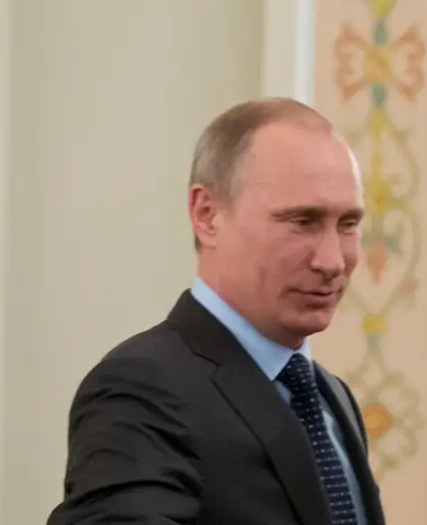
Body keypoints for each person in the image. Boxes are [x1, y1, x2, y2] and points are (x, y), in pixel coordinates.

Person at [48, 98, 385, 525]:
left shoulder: (330, 396)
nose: (332, 261)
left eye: (348, 224)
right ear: (206, 215)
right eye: (302, 221)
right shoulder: (141, 389)